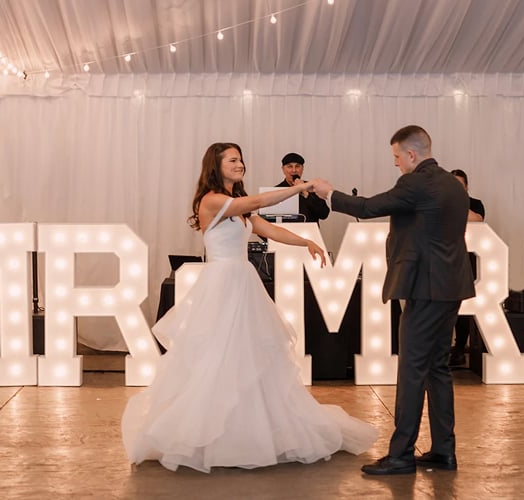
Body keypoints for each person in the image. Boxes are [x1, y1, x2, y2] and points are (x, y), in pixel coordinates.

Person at [122, 142, 377, 473]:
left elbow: (268, 228)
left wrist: (306, 242)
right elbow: (258, 201)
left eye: (241, 159)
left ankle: (249, 425)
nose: (239, 164)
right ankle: (214, 432)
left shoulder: (239, 209)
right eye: (232, 160)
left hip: (242, 282)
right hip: (222, 283)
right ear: (216, 165)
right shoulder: (212, 201)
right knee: (218, 355)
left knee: (249, 355)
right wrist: (301, 186)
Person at [312, 125, 475, 475]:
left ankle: (401, 455)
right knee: (437, 368)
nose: (397, 165)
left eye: (397, 158)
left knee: (412, 369)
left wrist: (330, 193)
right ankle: (444, 451)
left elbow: (369, 207)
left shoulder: (415, 183)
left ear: (412, 155)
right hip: (452, 286)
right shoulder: (454, 185)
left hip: (424, 288)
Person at [449, 169, 485, 367]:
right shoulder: (440, 201)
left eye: (459, 186)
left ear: (466, 187)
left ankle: (460, 348)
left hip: (469, 262)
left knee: (465, 309)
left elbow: (478, 219)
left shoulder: (474, 203)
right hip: (446, 261)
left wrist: (457, 202)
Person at [276, 152, 330, 223]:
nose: (294, 170)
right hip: (283, 232)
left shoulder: (313, 188)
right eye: (290, 167)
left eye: (297, 166)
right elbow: (265, 219)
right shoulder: (276, 191)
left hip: (309, 232)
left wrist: (305, 192)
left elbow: (324, 214)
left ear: (302, 169)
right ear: (283, 169)